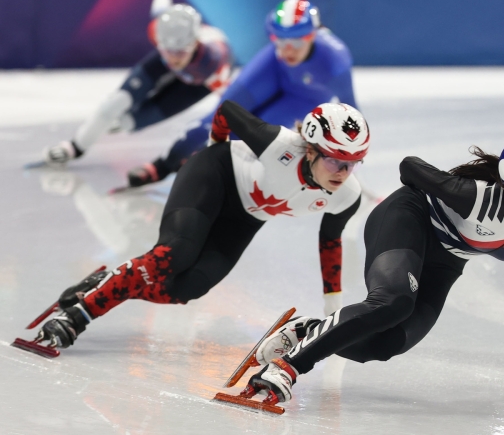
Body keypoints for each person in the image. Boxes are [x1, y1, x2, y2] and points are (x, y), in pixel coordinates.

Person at [242, 130, 504, 406]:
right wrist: (441, 191)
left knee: (385, 345)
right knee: (393, 302)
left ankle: (307, 330)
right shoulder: (475, 198)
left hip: (447, 259)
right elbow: (409, 167)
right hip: (408, 219)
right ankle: (287, 367)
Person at [28, 100, 370, 350]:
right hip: (214, 176)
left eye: (352, 163)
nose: (342, 172)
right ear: (309, 150)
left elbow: (330, 242)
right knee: (174, 254)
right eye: (334, 160)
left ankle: (106, 283)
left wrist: (332, 307)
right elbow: (227, 111)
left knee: (187, 288)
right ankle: (78, 316)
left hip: (245, 217)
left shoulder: (347, 195)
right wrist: (214, 148)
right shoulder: (278, 144)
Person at [126, 0, 357, 188]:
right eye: (280, 40)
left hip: (302, 98)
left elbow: (352, 114)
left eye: (297, 43)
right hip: (272, 70)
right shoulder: (278, 56)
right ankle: (160, 166)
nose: (288, 50)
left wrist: (347, 158)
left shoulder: (335, 60)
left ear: (313, 35)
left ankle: (199, 162)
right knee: (217, 118)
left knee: (247, 138)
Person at [43, 0, 232, 165]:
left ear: (195, 43)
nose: (173, 60)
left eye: (179, 53)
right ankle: (74, 147)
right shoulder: (159, 29)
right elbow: (161, 3)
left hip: (199, 83)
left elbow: (229, 108)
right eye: (166, 51)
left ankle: (111, 128)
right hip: (183, 63)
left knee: (128, 123)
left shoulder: (213, 66)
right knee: (114, 104)